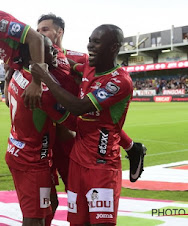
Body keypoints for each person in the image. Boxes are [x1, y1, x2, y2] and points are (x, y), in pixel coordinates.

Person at [31, 24, 135, 225]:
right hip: (77, 162)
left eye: (96, 42)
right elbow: (68, 65)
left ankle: (133, 148)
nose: (90, 46)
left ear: (113, 47)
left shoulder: (120, 81)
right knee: (77, 223)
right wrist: (51, 59)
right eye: (90, 41)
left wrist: (45, 77)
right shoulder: (87, 68)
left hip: (102, 164)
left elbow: (79, 107)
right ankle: (133, 148)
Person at [37, 13, 146, 185]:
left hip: (75, 131)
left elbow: (91, 102)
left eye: (45, 30)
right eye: (37, 31)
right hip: (49, 131)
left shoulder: (84, 59)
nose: (39, 34)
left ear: (59, 33)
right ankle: (132, 147)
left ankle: (132, 148)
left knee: (74, 185)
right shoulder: (36, 56)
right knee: (54, 193)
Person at [6, 36, 75, 226]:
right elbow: (71, 126)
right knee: (35, 217)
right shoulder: (42, 90)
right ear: (33, 56)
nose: (54, 51)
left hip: (17, 149)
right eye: (48, 49)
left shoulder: (18, 74)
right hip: (32, 161)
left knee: (50, 203)